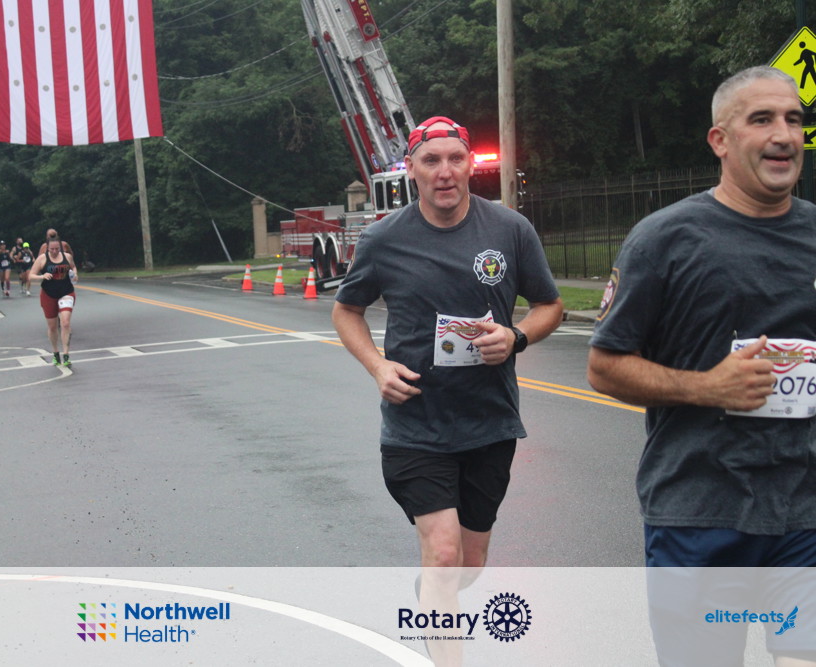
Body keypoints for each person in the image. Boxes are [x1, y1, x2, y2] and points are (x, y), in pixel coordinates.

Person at [587, 66, 816, 664]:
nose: (784, 135)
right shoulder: (665, 240)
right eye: (762, 119)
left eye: (794, 120)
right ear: (720, 139)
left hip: (805, 513)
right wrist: (708, 387)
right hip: (700, 513)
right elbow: (605, 366)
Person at [333, 117, 561, 564]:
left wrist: (515, 336)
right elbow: (346, 310)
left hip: (489, 422)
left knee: (470, 563)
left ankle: (440, 602)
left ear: (470, 164)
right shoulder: (383, 239)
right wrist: (378, 366)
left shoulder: (510, 229)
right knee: (442, 553)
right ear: (410, 168)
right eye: (431, 160)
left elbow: (550, 306)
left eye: (456, 159)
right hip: (415, 425)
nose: (445, 172)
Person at [30, 236, 77, 367]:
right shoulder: (42, 259)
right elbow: (31, 276)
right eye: (52, 249)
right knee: (52, 326)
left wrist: (75, 275)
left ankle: (66, 354)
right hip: (48, 294)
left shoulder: (67, 257)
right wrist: (42, 276)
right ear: (47, 248)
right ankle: (56, 352)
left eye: (57, 249)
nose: (55, 251)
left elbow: (73, 267)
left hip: (66, 292)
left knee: (65, 323)